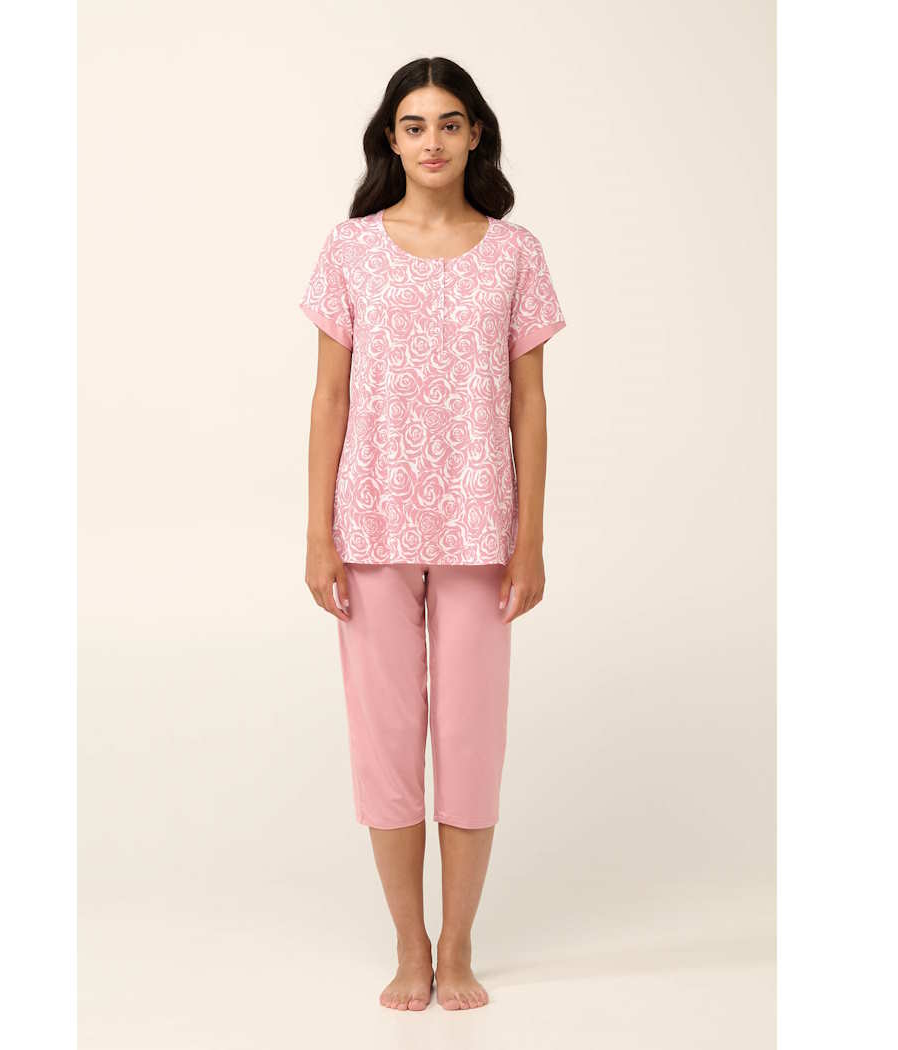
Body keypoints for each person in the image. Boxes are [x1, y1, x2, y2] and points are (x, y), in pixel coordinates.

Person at [299, 56, 567, 1012]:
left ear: (475, 133)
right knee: (384, 743)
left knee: (469, 740)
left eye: (450, 123)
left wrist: (530, 538)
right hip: (370, 523)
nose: (433, 141)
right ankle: (408, 942)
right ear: (391, 139)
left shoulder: (515, 252)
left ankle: (458, 944)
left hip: (480, 527)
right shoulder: (350, 249)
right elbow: (330, 396)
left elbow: (529, 405)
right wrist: (318, 533)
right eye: (414, 126)